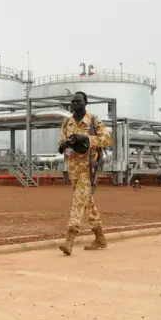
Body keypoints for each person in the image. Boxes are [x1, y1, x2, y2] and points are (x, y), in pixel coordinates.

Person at [57, 92, 113, 255]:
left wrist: (86, 138)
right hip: (73, 169)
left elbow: (108, 140)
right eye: (73, 102)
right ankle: (100, 237)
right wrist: (65, 143)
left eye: (78, 102)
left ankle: (70, 238)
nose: (75, 104)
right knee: (86, 201)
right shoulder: (66, 123)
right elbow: (60, 145)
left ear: (85, 103)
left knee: (78, 201)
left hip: (88, 168)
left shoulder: (94, 120)